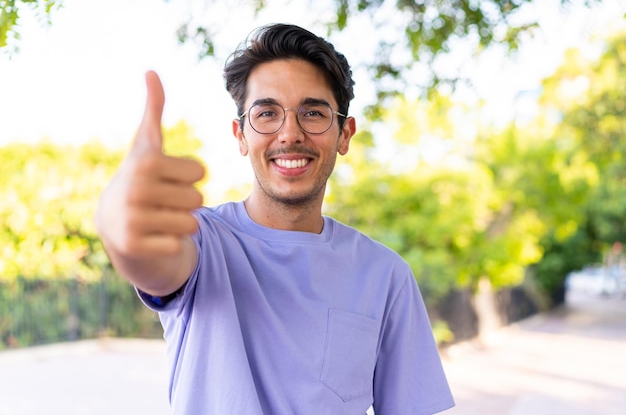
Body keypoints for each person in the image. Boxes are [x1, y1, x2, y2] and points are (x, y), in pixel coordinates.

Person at [96, 23, 455, 415]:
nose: (289, 134)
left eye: (313, 112)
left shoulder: (386, 275)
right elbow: (157, 264)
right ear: (240, 135)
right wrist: (121, 232)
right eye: (267, 113)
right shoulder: (201, 240)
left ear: (344, 135)